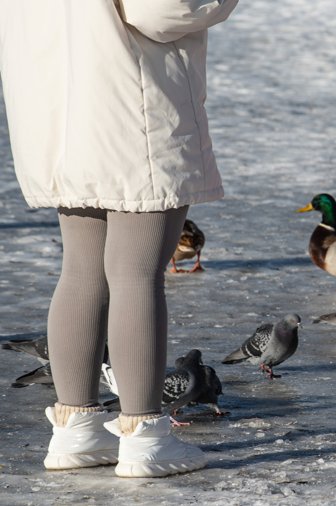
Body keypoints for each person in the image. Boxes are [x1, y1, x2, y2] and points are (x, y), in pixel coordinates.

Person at [0, 0, 238, 478]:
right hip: (129, 108)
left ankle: (75, 429)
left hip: (54, 111)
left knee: (82, 270)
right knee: (135, 274)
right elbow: (163, 9)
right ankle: (146, 437)